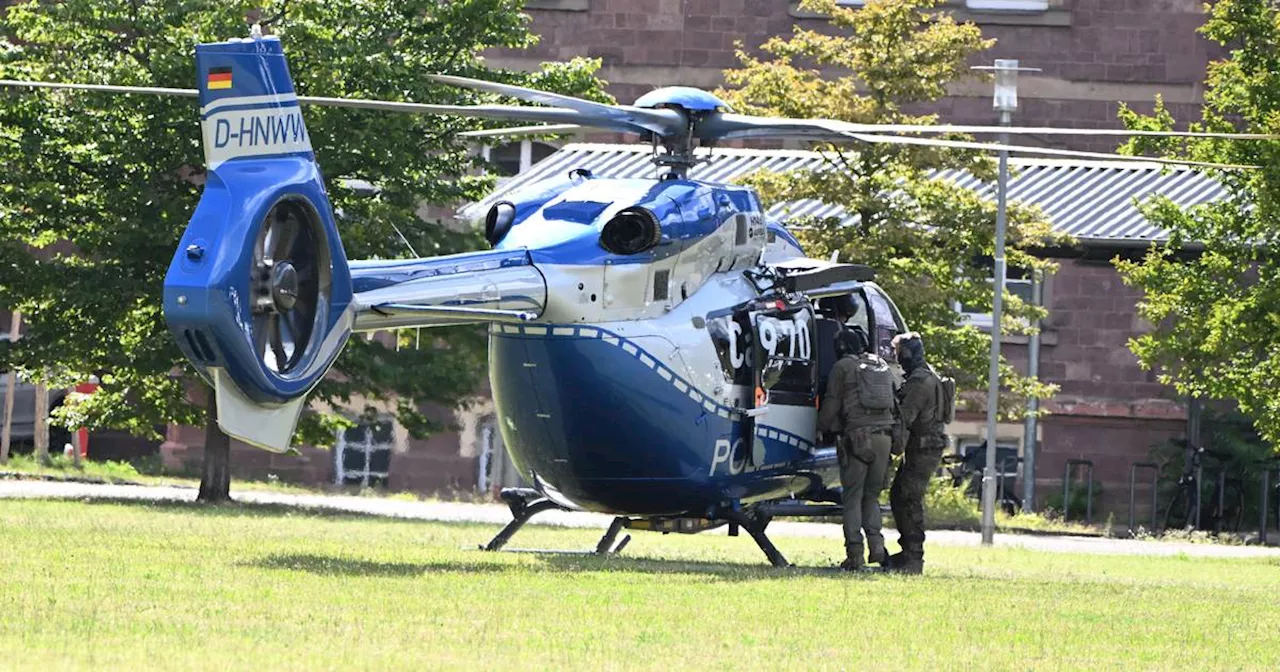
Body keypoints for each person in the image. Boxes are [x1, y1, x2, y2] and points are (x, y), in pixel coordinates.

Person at [817, 325, 898, 572]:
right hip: (884, 438)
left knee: (852, 497)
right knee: (871, 496)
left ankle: (855, 555)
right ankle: (877, 549)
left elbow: (832, 403)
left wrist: (819, 428)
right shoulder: (878, 365)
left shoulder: (842, 367)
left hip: (858, 438)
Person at [886, 332, 951, 575]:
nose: (898, 359)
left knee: (907, 498)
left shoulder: (919, 382)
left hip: (922, 448)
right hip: (926, 447)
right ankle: (908, 554)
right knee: (900, 496)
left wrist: (893, 446)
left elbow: (905, 417)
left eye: (898, 353)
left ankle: (913, 559)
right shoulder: (929, 376)